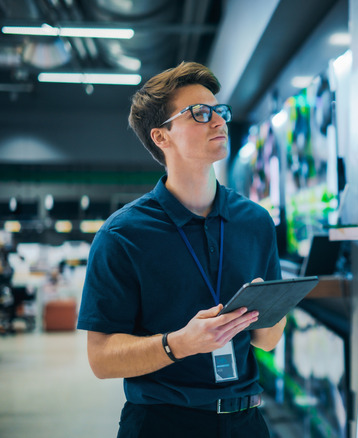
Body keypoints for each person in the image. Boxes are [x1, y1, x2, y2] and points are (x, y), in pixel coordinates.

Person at [77, 61, 284, 438]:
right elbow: (101, 358)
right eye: (200, 114)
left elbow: (268, 340)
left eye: (219, 111)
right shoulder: (122, 235)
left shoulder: (255, 221)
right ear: (161, 137)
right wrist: (179, 344)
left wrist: (267, 309)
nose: (219, 121)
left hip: (247, 421)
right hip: (162, 422)